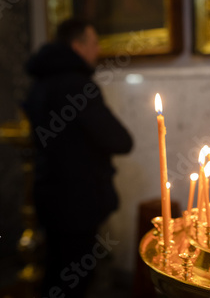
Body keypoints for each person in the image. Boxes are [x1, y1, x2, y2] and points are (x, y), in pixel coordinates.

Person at [23, 18, 133, 297]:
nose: (98, 50)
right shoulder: (79, 86)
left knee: (55, 270)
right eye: (94, 43)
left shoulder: (39, 84)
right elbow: (119, 140)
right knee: (77, 278)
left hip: (47, 193)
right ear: (77, 45)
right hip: (78, 200)